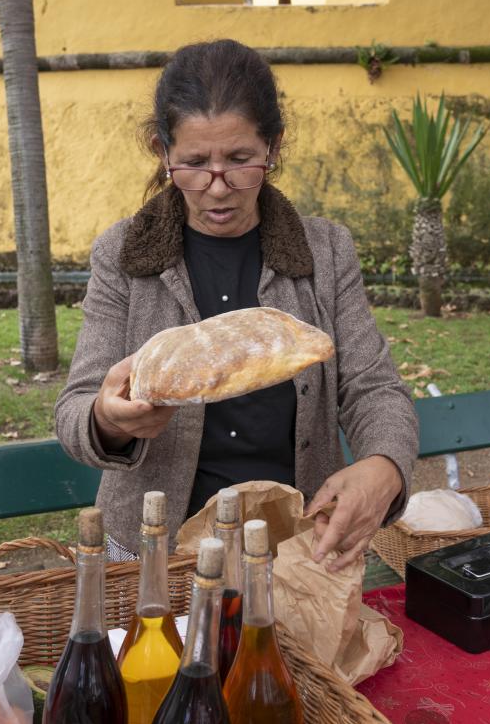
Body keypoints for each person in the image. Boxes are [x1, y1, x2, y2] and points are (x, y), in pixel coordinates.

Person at [55, 39, 418, 570]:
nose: (217, 186)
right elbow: (75, 410)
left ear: (273, 146)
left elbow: (373, 388)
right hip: (156, 556)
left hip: (297, 547)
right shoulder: (123, 254)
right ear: (162, 152)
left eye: (240, 160)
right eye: (194, 163)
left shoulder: (326, 251)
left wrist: (385, 465)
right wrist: (108, 418)